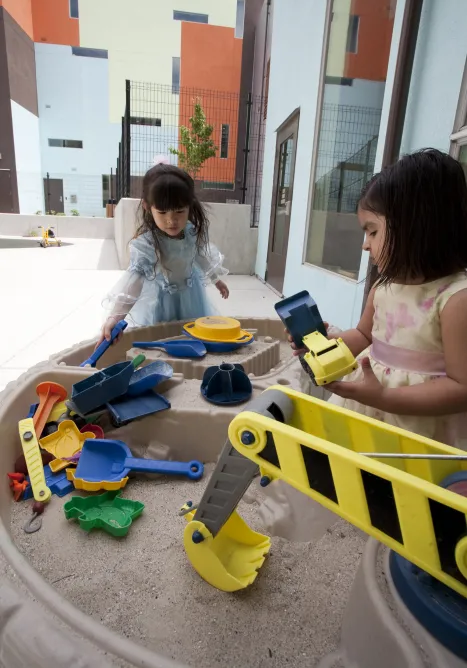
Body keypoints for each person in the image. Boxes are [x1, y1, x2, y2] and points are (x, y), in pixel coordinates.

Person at [269, 148, 467, 541]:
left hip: (422, 427)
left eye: (372, 231)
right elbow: (362, 337)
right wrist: (327, 339)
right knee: (371, 488)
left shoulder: (455, 298)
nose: (365, 246)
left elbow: (461, 389)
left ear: (417, 226)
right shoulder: (385, 287)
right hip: (374, 409)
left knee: (422, 508)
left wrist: (383, 397)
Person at [98, 160, 229, 344]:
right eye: (162, 212)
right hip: (162, 304)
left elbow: (199, 256)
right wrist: (116, 316)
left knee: (192, 341)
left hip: (191, 299)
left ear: (189, 206)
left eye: (179, 211)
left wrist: (216, 279)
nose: (171, 220)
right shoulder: (148, 243)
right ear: (147, 207)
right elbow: (134, 282)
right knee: (165, 343)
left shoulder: (191, 232)